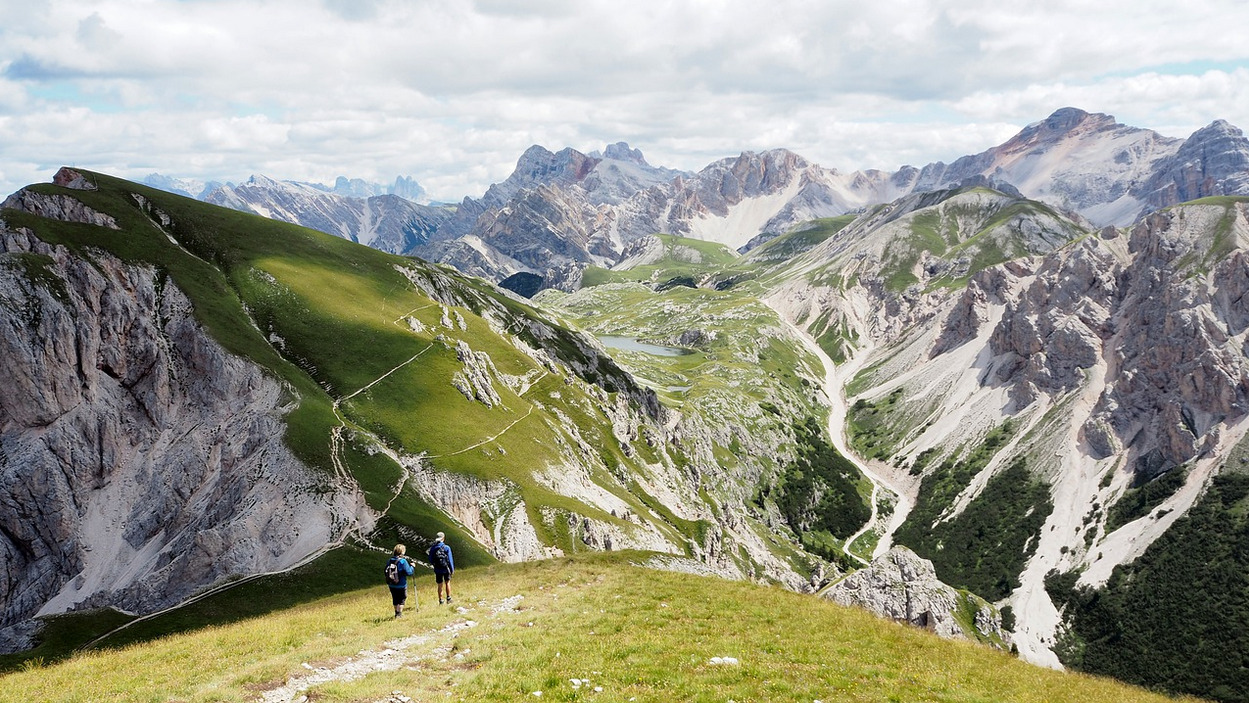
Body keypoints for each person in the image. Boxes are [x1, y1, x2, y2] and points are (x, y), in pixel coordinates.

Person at [385, 544, 416, 618]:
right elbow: (409, 572)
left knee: (395, 598)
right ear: (402, 552)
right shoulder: (403, 561)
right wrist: (412, 566)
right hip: (401, 583)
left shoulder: (390, 560)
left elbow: (385, 570)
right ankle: (399, 614)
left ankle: (396, 612)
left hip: (391, 583)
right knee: (402, 598)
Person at [427, 532, 455, 604]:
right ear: (443, 538)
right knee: (447, 582)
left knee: (440, 585)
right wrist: (452, 570)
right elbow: (450, 559)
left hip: (437, 569)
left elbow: (430, 559)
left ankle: (441, 600)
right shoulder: (446, 548)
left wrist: (435, 564)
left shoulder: (433, 548)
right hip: (446, 569)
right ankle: (448, 598)